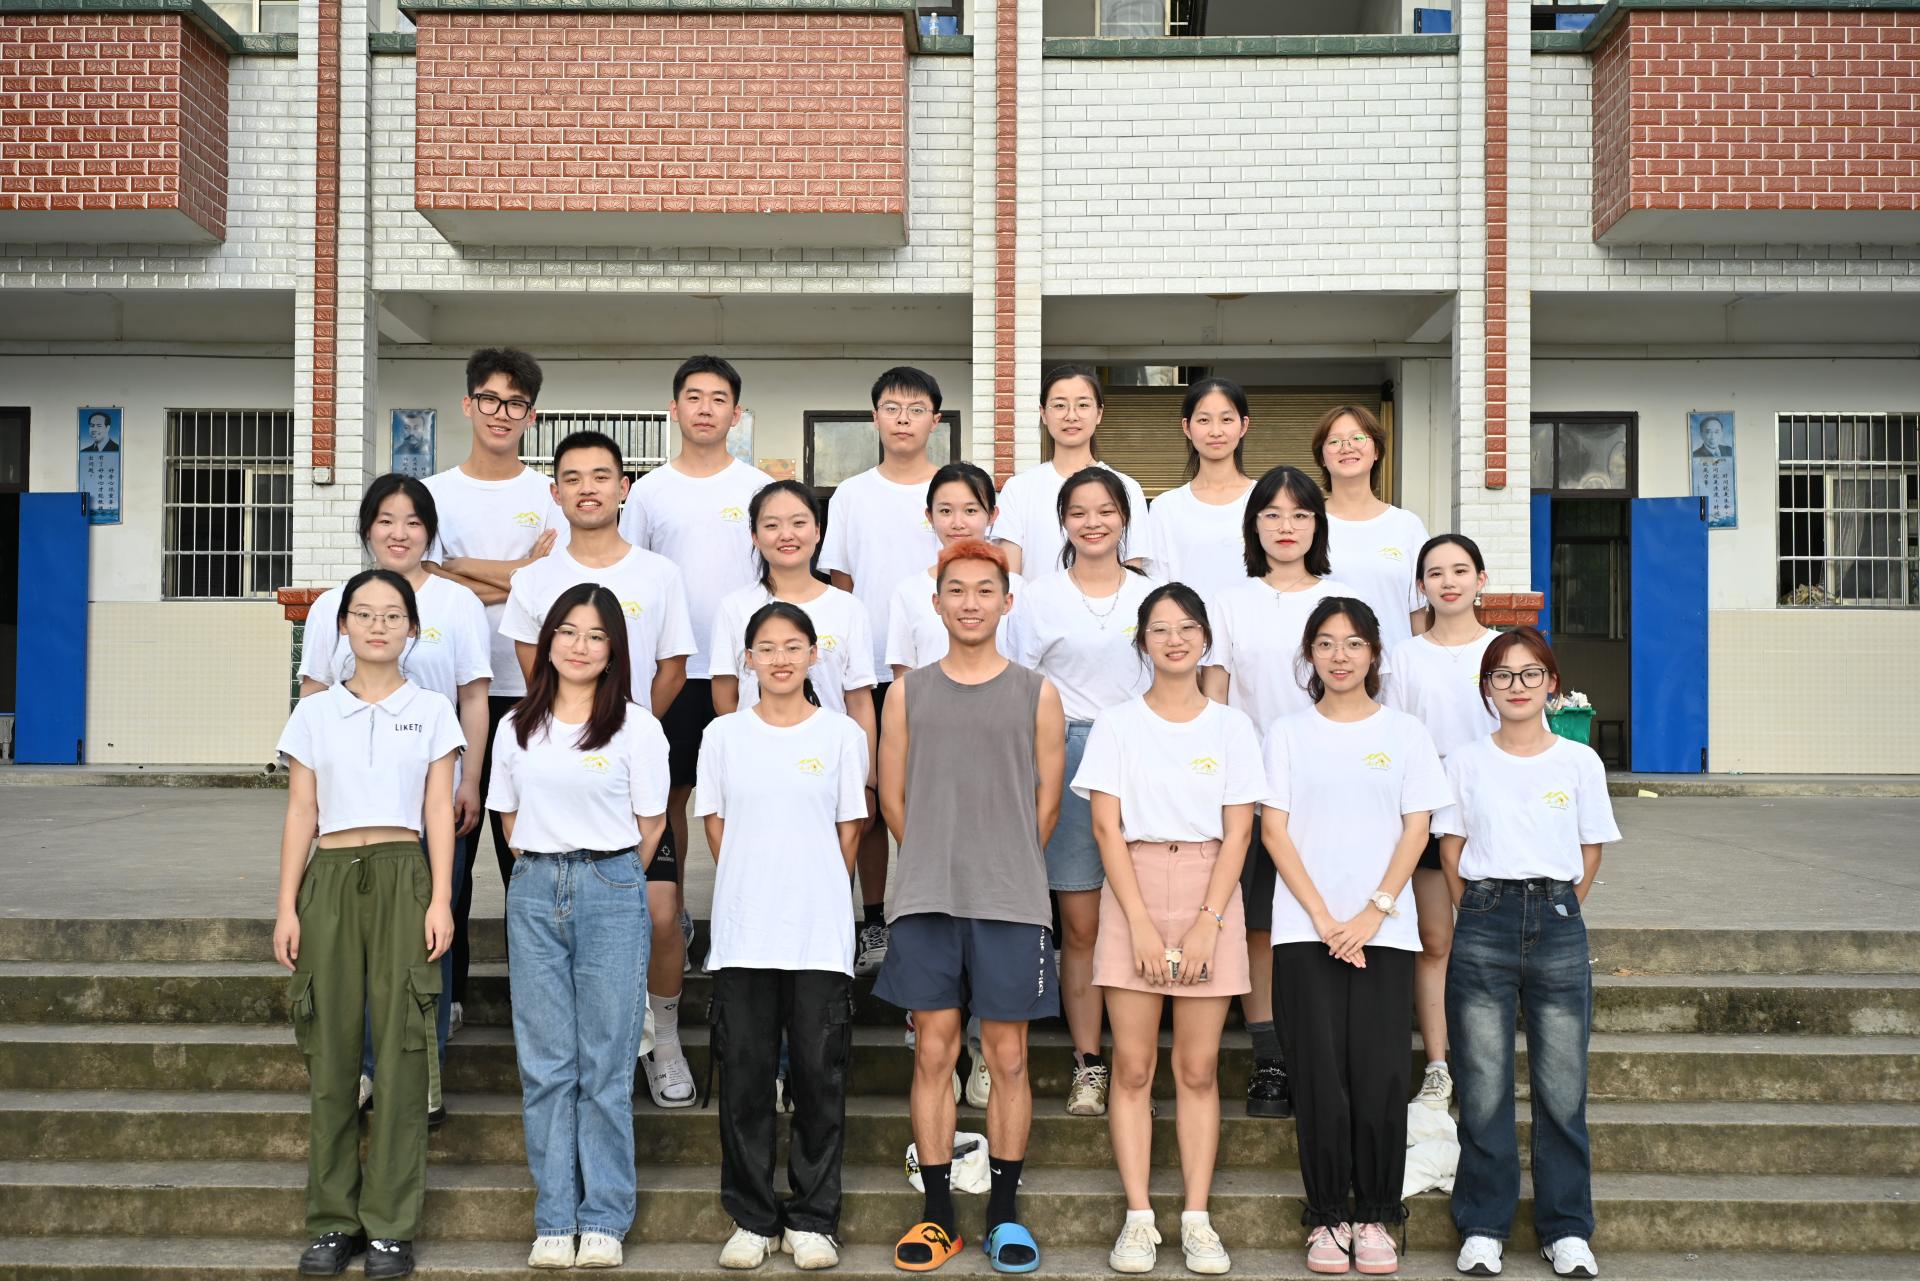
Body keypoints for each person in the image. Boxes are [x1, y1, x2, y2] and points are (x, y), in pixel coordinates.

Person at [875, 538, 1065, 1275]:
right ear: (936, 602)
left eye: (985, 590)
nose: (970, 602)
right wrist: (935, 856)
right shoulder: (907, 693)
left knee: (1008, 1055)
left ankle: (1004, 1212)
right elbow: (893, 798)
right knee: (934, 1050)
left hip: (1011, 898)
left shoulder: (1037, 693)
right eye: (956, 589)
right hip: (926, 895)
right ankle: (937, 1213)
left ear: (1007, 601)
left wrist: (1002, 860)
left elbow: (1047, 803)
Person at [273, 568, 463, 1281]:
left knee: (404, 1052)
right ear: (342, 626)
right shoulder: (315, 713)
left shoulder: (432, 709)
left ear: (412, 628)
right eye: (363, 613)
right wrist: (286, 904)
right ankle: (331, 1220)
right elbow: (301, 810)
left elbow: (439, 809)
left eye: (392, 614)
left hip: (403, 873)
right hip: (329, 875)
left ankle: (389, 1225)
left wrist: (440, 899)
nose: (377, 625)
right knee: (331, 1052)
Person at [500, 429, 698, 1109]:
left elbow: (673, 667)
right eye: (573, 477)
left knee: (662, 912)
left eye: (601, 476)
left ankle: (664, 1039)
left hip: (628, 771)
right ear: (555, 493)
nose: (588, 488)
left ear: (623, 488)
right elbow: (534, 673)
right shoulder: (533, 580)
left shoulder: (658, 573)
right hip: (557, 784)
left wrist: (623, 729)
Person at [1073, 584, 1261, 1277]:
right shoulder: (1117, 724)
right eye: (1159, 628)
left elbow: (1240, 830)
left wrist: (1209, 923)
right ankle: (1138, 1217)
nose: (1174, 639)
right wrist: (1141, 925)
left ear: (1205, 638)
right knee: (1132, 1066)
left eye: (1186, 628)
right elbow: (1105, 827)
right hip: (1136, 884)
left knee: (1198, 1068)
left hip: (1212, 886)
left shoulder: (1232, 727)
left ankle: (1197, 1219)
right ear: (1142, 640)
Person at [1260, 597, 1449, 1277]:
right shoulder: (1287, 733)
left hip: (1384, 932)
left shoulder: (1405, 733)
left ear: (1374, 653)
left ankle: (1375, 1214)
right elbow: (1274, 830)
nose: (1339, 656)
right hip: (1303, 930)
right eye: (1326, 643)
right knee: (1318, 1078)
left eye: (1353, 643)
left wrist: (1373, 911)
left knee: (1380, 1075)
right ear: (1309, 654)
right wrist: (1322, 917)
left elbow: (1418, 829)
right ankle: (1325, 1217)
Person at [298, 473, 491, 1125]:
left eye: (413, 521)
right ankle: (362, 1069)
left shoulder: (457, 603)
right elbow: (313, 697)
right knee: (355, 944)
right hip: (351, 810)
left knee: (427, 937)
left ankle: (422, 1075)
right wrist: (314, 796)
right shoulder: (334, 605)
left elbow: (473, 697)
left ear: (430, 532)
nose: (399, 532)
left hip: (432, 802)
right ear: (366, 529)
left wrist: (470, 780)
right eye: (385, 519)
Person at [489, 583, 670, 1271]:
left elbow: (652, 822)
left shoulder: (636, 727)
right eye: (567, 631)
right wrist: (550, 867)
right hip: (535, 887)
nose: (580, 645)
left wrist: (608, 877)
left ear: (614, 649)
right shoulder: (517, 725)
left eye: (596, 635)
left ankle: (603, 1217)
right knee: (545, 1065)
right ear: (548, 641)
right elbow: (508, 817)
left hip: (611, 885)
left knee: (605, 1062)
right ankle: (555, 1215)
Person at [1435, 627, 1618, 1281]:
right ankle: (1483, 1226)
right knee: (1483, 1086)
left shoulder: (1579, 761)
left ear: (1552, 683)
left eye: (1530, 673)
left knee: (1562, 1089)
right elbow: (1450, 847)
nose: (1517, 686)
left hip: (1558, 919)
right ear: (1487, 688)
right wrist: (1476, 911)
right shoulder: (1465, 761)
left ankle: (1565, 1229)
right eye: (1503, 675)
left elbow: (1590, 849)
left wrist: (1560, 907)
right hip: (1483, 919)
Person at [701, 602, 869, 1272]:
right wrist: (757, 881)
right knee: (744, 1078)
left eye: (793, 646)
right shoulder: (723, 735)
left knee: (818, 1078)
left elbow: (850, 829)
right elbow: (716, 826)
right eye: (766, 647)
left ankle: (813, 1217)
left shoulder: (841, 735)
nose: (779, 659)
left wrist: (812, 885)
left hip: (818, 935)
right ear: (747, 659)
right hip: (744, 933)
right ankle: (751, 1216)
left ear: (813, 654)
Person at [1198, 465, 1356, 1121]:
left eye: (1300, 514)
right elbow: (1215, 697)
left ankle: (1328, 1048)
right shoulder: (1230, 601)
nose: (1286, 527)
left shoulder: (1342, 596)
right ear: (1253, 526)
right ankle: (1271, 1058)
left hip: (1331, 788)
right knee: (1258, 926)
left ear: (1318, 525)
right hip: (1253, 792)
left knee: (1328, 917)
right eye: (1272, 514)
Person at [1011, 468, 1164, 1118]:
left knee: (1142, 913)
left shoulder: (1154, 595)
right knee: (1081, 923)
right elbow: (1020, 688)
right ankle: (1088, 1063)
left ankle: (1138, 1063)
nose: (1094, 522)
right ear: (1063, 521)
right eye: (1080, 512)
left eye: (1106, 510)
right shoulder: (1038, 597)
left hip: (1144, 751)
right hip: (1066, 750)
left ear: (1125, 518)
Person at [422, 347, 567, 1016]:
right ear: (468, 404)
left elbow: (553, 586)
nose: (501, 412)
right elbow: (421, 578)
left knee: (526, 859)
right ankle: (445, 996)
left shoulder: (549, 494)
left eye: (516, 403)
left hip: (530, 689)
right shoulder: (433, 493)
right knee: (445, 856)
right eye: (490, 398)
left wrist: (459, 568)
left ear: (531, 415)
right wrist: (517, 573)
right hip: (447, 693)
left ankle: (531, 1000)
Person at [619, 355, 773, 970]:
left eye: (718, 399)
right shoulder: (649, 491)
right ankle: (675, 914)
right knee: (672, 794)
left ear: (736, 414)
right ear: (674, 409)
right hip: (675, 669)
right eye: (694, 397)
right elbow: (633, 576)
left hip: (748, 669)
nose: (705, 409)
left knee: (750, 794)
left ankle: (751, 911)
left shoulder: (757, 487)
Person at [818, 367, 944, 976]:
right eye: (892, 408)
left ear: (935, 421)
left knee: (926, 800)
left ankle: (925, 916)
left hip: (935, 669)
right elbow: (840, 584)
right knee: (867, 796)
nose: (903, 419)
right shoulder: (851, 494)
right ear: (874, 418)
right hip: (865, 673)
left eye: (916, 409)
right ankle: (873, 921)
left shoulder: (950, 490)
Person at [1381, 534, 1500, 1110]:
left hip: (1492, 809)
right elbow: (1395, 739)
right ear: (1420, 586)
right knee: (1436, 939)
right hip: (1428, 812)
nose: (1448, 582)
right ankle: (1437, 1065)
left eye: (1459, 570)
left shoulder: (1504, 650)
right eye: (1435, 573)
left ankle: (1485, 1061)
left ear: (1481, 579)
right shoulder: (1404, 657)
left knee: (1487, 940)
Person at [994, 364, 1154, 576]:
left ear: (1099, 413)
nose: (1071, 416)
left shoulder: (1127, 488)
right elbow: (1009, 578)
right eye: (1060, 405)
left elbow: (1133, 576)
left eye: (1083, 405)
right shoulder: (1018, 489)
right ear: (1043, 413)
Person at [885, 461, 1027, 681]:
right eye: (945, 511)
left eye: (970, 510)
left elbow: (1026, 669)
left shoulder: (1017, 589)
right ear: (929, 516)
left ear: (992, 515)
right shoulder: (908, 592)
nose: (958, 523)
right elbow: (904, 682)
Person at [1315, 405, 1430, 651]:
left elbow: (1418, 614)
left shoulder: (1407, 526)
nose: (1347, 447)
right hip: (1325, 669)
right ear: (1322, 457)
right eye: (1334, 441)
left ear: (1376, 451)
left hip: (1394, 669)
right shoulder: (1308, 525)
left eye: (1358, 438)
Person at [1146, 379, 1254, 613]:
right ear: (1187, 427)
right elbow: (1156, 584)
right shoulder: (1165, 508)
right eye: (1204, 420)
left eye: (1226, 419)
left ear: (1243, 425)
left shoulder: (1264, 500)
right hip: (1186, 631)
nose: (1216, 431)